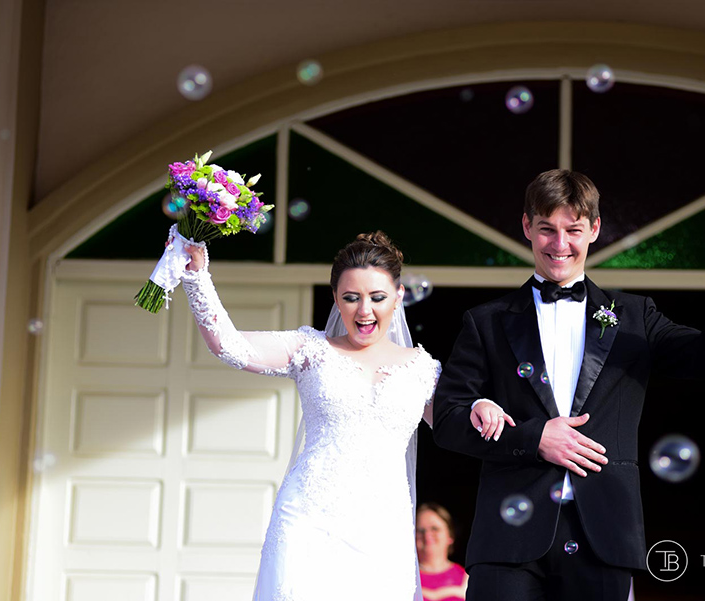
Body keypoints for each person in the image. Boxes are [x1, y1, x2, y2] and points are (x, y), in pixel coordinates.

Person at [431, 170, 705, 601]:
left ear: (595, 229)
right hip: (507, 542)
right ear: (526, 227)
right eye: (546, 229)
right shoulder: (486, 322)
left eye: (573, 230)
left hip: (605, 535)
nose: (559, 244)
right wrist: (533, 437)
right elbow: (449, 420)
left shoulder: (635, 316)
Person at [179, 231, 494, 601]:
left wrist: (478, 404)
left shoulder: (423, 370)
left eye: (377, 297)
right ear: (335, 299)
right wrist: (196, 274)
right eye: (351, 298)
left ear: (398, 296)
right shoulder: (310, 350)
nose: (364, 310)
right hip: (307, 522)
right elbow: (228, 345)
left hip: (382, 531)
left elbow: (456, 421)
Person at [416, 502, 469, 601]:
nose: (427, 535)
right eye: (421, 530)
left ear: (450, 536)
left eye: (435, 529)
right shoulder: (405, 578)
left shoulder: (466, 578)